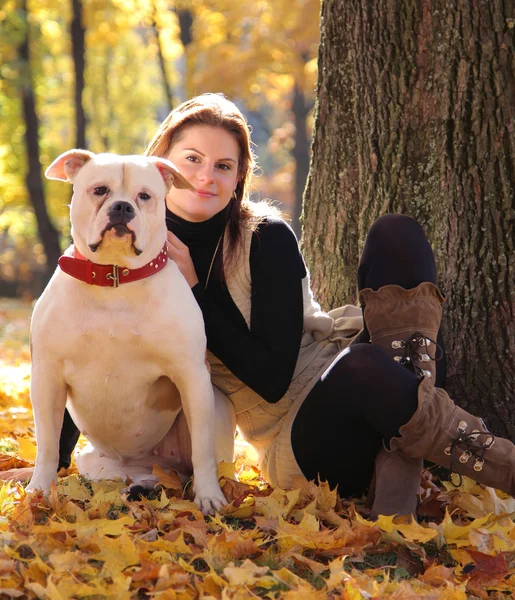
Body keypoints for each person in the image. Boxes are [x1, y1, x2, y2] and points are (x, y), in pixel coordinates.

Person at [9, 93, 515, 517]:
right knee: (369, 367)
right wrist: (55, 461)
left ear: (238, 177)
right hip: (297, 434)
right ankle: (485, 460)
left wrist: (196, 291)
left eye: (223, 166)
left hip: (347, 371)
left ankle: (401, 452)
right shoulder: (128, 258)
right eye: (192, 160)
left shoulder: (264, 236)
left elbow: (277, 365)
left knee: (396, 235)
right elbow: (86, 355)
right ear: (165, 164)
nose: (206, 176)